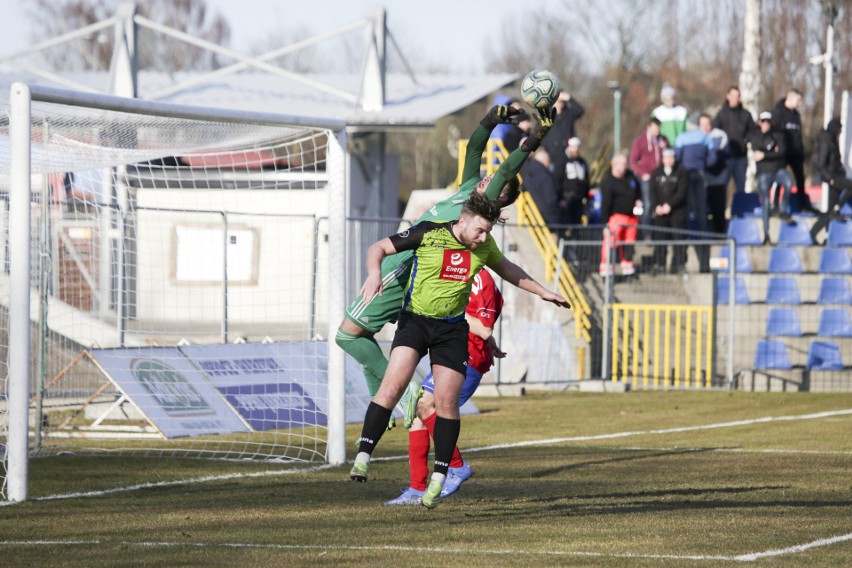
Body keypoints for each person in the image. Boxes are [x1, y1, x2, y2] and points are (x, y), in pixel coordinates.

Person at [349, 191, 570, 509]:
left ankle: (439, 477)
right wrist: (374, 273)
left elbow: (511, 270)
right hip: (415, 322)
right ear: (462, 221)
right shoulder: (430, 233)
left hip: (451, 332)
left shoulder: (485, 251)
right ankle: (364, 456)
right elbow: (379, 248)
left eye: (488, 232)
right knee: (394, 388)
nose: (483, 238)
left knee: (444, 405)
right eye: (480, 230)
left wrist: (545, 292)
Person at [335, 104, 548, 430]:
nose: (489, 177)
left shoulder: (477, 206)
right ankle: (386, 403)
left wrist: (535, 138)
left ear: (495, 199)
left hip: (402, 264)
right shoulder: (467, 189)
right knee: (364, 336)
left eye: (495, 184)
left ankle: (404, 397)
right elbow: (475, 146)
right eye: (488, 177)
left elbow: (505, 172)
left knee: (347, 336)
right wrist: (491, 120)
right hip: (406, 264)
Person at [385, 269, 504, 506]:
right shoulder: (453, 269)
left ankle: (457, 466)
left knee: (425, 405)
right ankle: (417, 488)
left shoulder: (481, 278)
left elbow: (483, 328)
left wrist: (452, 312)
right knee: (419, 414)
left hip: (469, 358)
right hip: (451, 353)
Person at [675, 113, 717, 271]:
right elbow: (713, 158)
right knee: (700, 208)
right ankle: (700, 229)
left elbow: (677, 156)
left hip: (685, 175)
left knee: (687, 207)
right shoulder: (705, 138)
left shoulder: (681, 138)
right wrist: (703, 164)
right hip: (700, 174)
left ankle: (688, 229)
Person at [747, 111, 794, 241]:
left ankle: (782, 210)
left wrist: (765, 155)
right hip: (763, 172)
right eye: (763, 122)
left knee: (788, 183)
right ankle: (766, 234)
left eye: (768, 122)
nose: (766, 124)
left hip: (778, 169)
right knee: (766, 201)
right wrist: (772, 151)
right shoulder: (755, 136)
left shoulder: (778, 135)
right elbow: (756, 154)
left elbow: (781, 153)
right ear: (759, 123)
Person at [772, 88, 817, 213]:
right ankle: (775, 205)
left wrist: (801, 151)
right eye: (798, 100)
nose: (800, 103)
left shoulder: (796, 115)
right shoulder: (778, 112)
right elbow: (774, 132)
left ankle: (803, 205)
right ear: (790, 98)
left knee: (800, 179)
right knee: (780, 179)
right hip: (782, 153)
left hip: (795, 153)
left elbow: (798, 135)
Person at [810, 118, 852, 244]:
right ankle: (838, 208)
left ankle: (817, 234)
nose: (840, 133)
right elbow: (821, 164)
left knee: (829, 212)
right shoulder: (826, 141)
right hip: (833, 178)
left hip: (836, 175)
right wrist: (830, 178)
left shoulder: (832, 140)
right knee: (850, 186)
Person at [599, 153, 642, 277]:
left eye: (625, 164)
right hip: (616, 218)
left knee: (629, 244)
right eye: (621, 164)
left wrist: (639, 200)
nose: (624, 167)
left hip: (632, 217)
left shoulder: (630, 177)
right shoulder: (608, 182)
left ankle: (628, 269)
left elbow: (638, 190)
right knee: (611, 245)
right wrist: (605, 224)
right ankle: (607, 271)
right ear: (614, 165)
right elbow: (605, 205)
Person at [713, 85, 758, 195]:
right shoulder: (721, 114)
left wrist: (748, 142)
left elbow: (753, 132)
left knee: (741, 186)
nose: (735, 98)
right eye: (733, 96)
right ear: (727, 96)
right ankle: (720, 210)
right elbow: (714, 133)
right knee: (722, 185)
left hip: (741, 157)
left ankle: (739, 210)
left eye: (737, 96)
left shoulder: (745, 114)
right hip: (725, 158)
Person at [649, 148, 689, 273]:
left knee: (679, 238)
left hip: (677, 211)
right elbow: (652, 192)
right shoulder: (656, 173)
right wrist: (657, 206)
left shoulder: (681, 171)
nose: (669, 160)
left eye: (671, 157)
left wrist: (670, 205)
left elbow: (682, 192)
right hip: (660, 211)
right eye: (666, 157)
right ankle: (660, 264)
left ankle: (679, 264)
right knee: (660, 238)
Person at [629, 117, 669, 231]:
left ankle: (660, 231)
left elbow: (668, 154)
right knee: (648, 203)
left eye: (658, 128)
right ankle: (646, 232)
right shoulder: (640, 141)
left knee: (661, 203)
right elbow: (633, 161)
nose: (657, 130)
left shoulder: (663, 140)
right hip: (646, 178)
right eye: (654, 128)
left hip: (660, 177)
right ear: (649, 127)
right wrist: (642, 173)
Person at [543, 90, 585, 186]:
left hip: (567, 154)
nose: (559, 103)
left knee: (568, 180)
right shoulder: (547, 115)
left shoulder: (568, 114)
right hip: (552, 155)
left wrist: (568, 98)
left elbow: (580, 110)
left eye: (561, 101)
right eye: (556, 100)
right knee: (553, 180)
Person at [699, 113, 731, 234]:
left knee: (718, 210)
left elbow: (726, 154)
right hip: (702, 180)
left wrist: (710, 159)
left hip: (717, 179)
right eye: (702, 125)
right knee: (701, 210)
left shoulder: (720, 135)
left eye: (707, 124)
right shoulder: (695, 137)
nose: (705, 127)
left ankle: (720, 236)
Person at [521, 148, 560, 226]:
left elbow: (522, 187)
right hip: (548, 220)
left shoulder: (527, 174)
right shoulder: (546, 177)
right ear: (546, 161)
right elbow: (551, 200)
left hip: (531, 215)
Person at [561, 136, 590, 228]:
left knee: (577, 224)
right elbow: (558, 179)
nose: (576, 150)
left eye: (577, 147)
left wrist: (586, 196)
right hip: (567, 198)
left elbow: (586, 180)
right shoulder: (563, 161)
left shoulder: (582, 162)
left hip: (579, 199)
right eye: (573, 147)